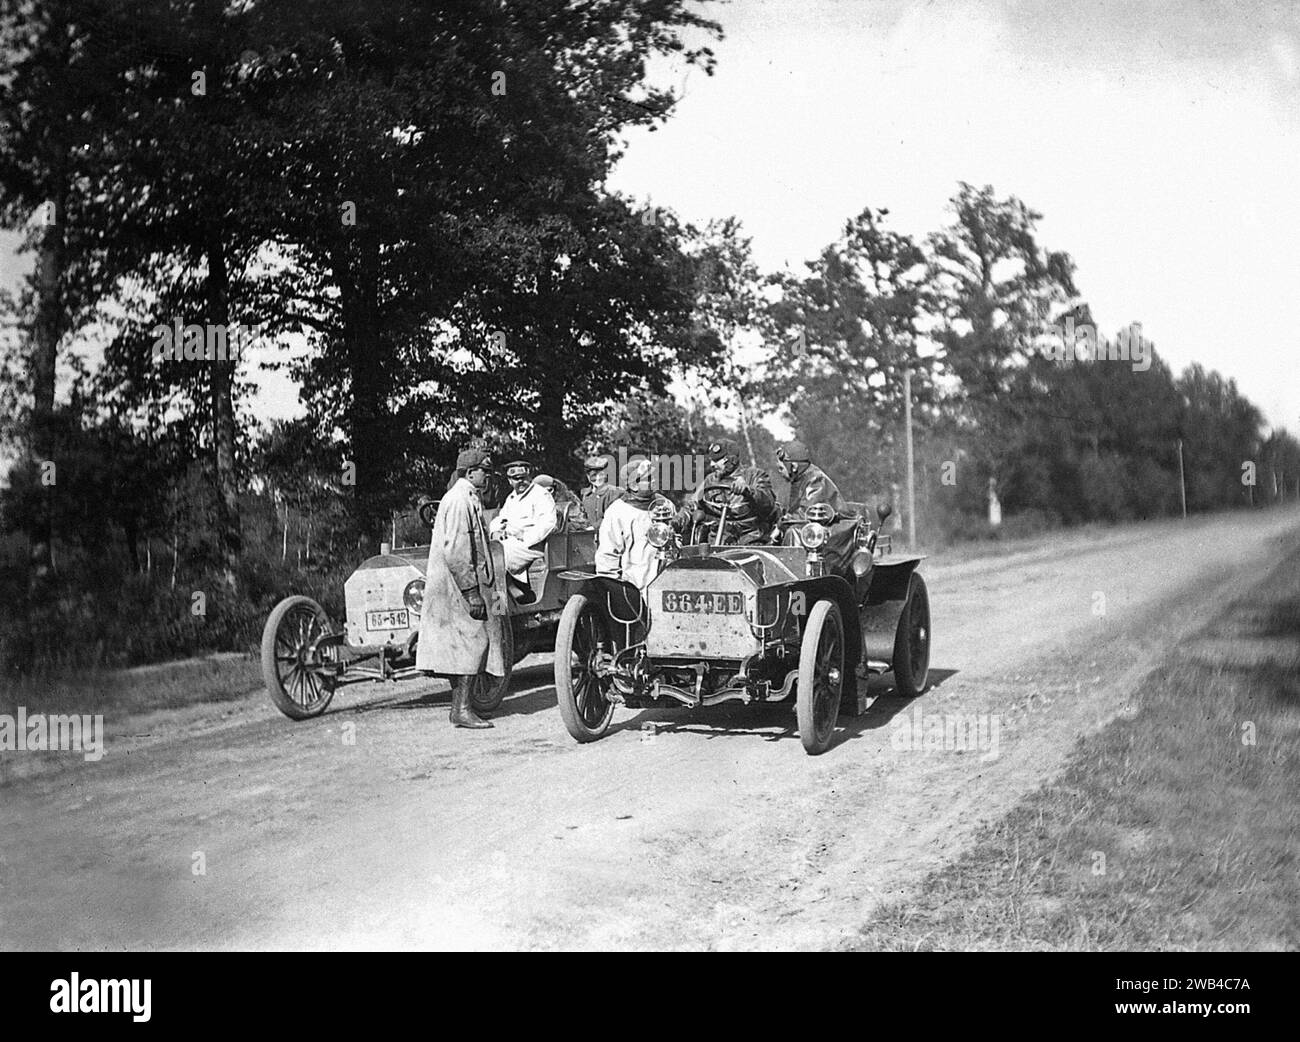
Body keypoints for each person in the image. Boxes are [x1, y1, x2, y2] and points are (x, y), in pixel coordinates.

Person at [417, 445, 507, 729]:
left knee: (465, 645)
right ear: (471, 472)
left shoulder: (465, 497)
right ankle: (463, 709)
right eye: (485, 471)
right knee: (473, 642)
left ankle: (460, 708)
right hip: (457, 586)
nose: (488, 476)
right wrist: (471, 591)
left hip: (455, 584)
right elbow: (456, 549)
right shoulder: (459, 500)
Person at [677, 438, 778, 545]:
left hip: (750, 537)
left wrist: (748, 491)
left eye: (716, 460)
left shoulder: (754, 475)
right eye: (711, 460)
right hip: (717, 539)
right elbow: (693, 504)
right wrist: (678, 520)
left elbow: (768, 502)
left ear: (731, 460)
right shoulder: (710, 480)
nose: (711, 464)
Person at [596, 458, 674, 591]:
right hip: (634, 588)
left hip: (668, 584)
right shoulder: (617, 512)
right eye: (648, 478)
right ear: (634, 485)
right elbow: (607, 555)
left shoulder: (665, 504)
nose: (654, 481)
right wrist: (613, 589)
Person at [489, 457, 557, 600]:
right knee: (489, 555)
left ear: (529, 477)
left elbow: (548, 523)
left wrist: (525, 538)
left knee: (497, 559)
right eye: (515, 478)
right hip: (512, 542)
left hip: (533, 545)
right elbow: (500, 518)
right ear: (509, 480)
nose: (520, 481)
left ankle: (508, 600)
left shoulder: (540, 494)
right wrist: (495, 531)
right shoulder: (512, 498)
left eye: (523, 478)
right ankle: (508, 598)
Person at [775, 439, 846, 520]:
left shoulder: (815, 479)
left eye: (781, 468)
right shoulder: (799, 479)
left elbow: (806, 512)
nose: (779, 471)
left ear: (794, 467)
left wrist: (784, 521)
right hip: (817, 525)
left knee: (792, 531)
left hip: (833, 527)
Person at [579, 454, 622, 529]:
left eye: (601, 474)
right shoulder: (585, 494)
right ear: (588, 477)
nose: (598, 478)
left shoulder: (614, 493)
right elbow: (584, 517)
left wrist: (594, 527)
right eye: (594, 475)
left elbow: (612, 517)